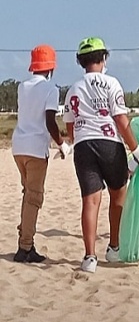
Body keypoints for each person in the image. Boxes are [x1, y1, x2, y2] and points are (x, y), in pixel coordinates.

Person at [64, 37, 139, 273]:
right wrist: (136, 149)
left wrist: (74, 141)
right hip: (109, 144)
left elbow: (70, 126)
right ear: (103, 58)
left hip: (83, 146)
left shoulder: (73, 89)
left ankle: (89, 257)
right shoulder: (112, 83)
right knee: (118, 194)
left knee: (90, 201)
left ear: (80, 61)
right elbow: (121, 120)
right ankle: (114, 247)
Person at [11, 44, 72, 263]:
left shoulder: (22, 86)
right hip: (36, 148)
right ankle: (25, 247)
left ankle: (25, 241)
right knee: (34, 198)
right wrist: (62, 144)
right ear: (51, 68)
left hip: (18, 146)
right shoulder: (50, 89)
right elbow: (49, 120)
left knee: (27, 194)